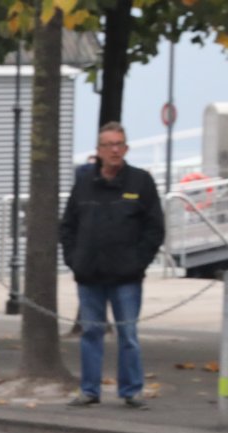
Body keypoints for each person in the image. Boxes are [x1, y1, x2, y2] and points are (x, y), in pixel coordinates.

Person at [60, 121, 164, 409]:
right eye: (109, 145)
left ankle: (131, 391)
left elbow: (155, 228)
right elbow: (67, 226)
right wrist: (74, 260)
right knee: (91, 333)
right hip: (89, 274)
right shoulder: (84, 183)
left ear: (126, 148)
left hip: (126, 276)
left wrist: (138, 262)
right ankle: (89, 390)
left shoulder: (141, 182)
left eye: (119, 144)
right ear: (99, 150)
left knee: (128, 335)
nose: (115, 150)